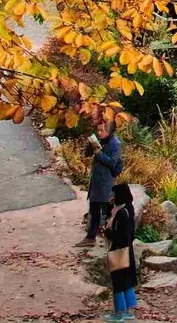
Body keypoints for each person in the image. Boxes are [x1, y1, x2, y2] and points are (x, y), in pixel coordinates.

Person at [78, 119, 122, 244]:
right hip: (96, 181)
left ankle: (113, 238)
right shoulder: (100, 141)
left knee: (107, 212)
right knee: (94, 210)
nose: (99, 133)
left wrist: (99, 153)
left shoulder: (115, 143)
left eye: (102, 130)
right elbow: (86, 154)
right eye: (98, 130)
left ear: (109, 130)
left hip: (106, 181)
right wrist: (90, 145)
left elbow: (113, 162)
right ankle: (90, 237)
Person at [106, 181, 139, 320]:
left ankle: (119, 313)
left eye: (114, 195)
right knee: (127, 280)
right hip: (128, 251)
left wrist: (108, 233)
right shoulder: (129, 208)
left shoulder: (121, 213)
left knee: (118, 281)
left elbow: (120, 235)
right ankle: (129, 310)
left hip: (118, 251)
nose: (112, 197)